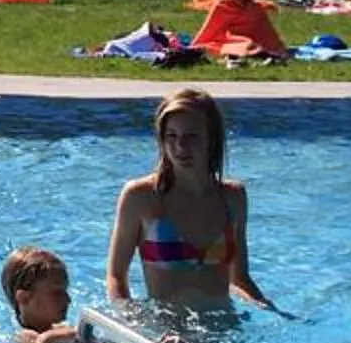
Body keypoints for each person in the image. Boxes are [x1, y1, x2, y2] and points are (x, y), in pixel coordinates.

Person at [106, 88, 273, 311]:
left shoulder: (233, 198)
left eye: (191, 137)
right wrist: (133, 325)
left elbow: (239, 278)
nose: (180, 147)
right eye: (171, 136)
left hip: (224, 332)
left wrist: (272, 312)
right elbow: (116, 277)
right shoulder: (141, 197)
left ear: (212, 138)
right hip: (165, 335)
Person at [190, 0, 289, 61]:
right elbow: (209, 31)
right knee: (240, 44)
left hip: (258, 42)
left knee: (251, 44)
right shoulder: (222, 5)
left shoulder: (255, 6)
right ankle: (248, 52)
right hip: (236, 40)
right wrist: (194, 48)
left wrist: (278, 47)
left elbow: (267, 30)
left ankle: (256, 51)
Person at [1, 247, 79, 343]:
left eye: (65, 291)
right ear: (24, 298)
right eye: (57, 293)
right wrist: (49, 339)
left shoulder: (59, 329)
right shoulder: (25, 337)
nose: (68, 300)